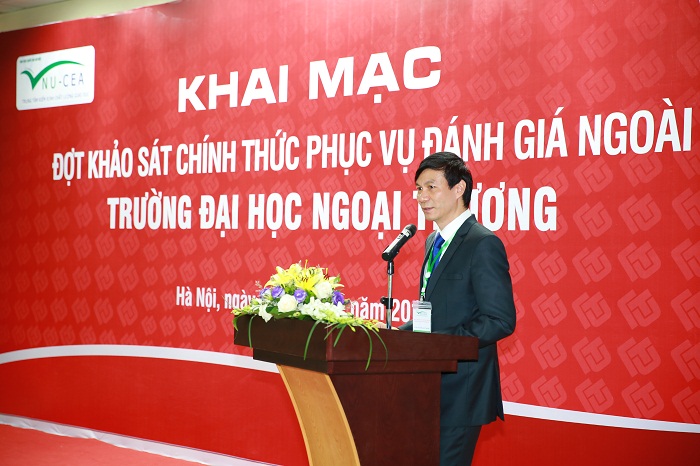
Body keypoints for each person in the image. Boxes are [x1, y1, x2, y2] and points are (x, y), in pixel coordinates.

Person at [400, 151, 517, 465]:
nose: (422, 197)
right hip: (430, 385)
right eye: (418, 189)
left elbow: (500, 320)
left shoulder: (482, 243)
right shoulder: (432, 241)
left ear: (459, 189)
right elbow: (432, 312)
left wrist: (441, 342)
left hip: (462, 390)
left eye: (431, 187)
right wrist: (394, 335)